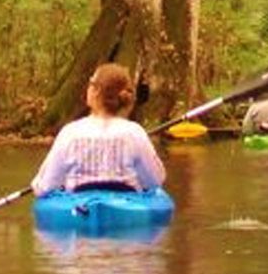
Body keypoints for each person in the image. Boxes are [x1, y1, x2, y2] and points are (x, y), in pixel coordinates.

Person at [30, 63, 166, 195]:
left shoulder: (70, 133)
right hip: (123, 212)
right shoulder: (135, 133)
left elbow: (45, 186)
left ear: (96, 91)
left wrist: (37, 185)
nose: (88, 87)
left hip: (81, 212)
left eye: (91, 83)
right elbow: (155, 181)